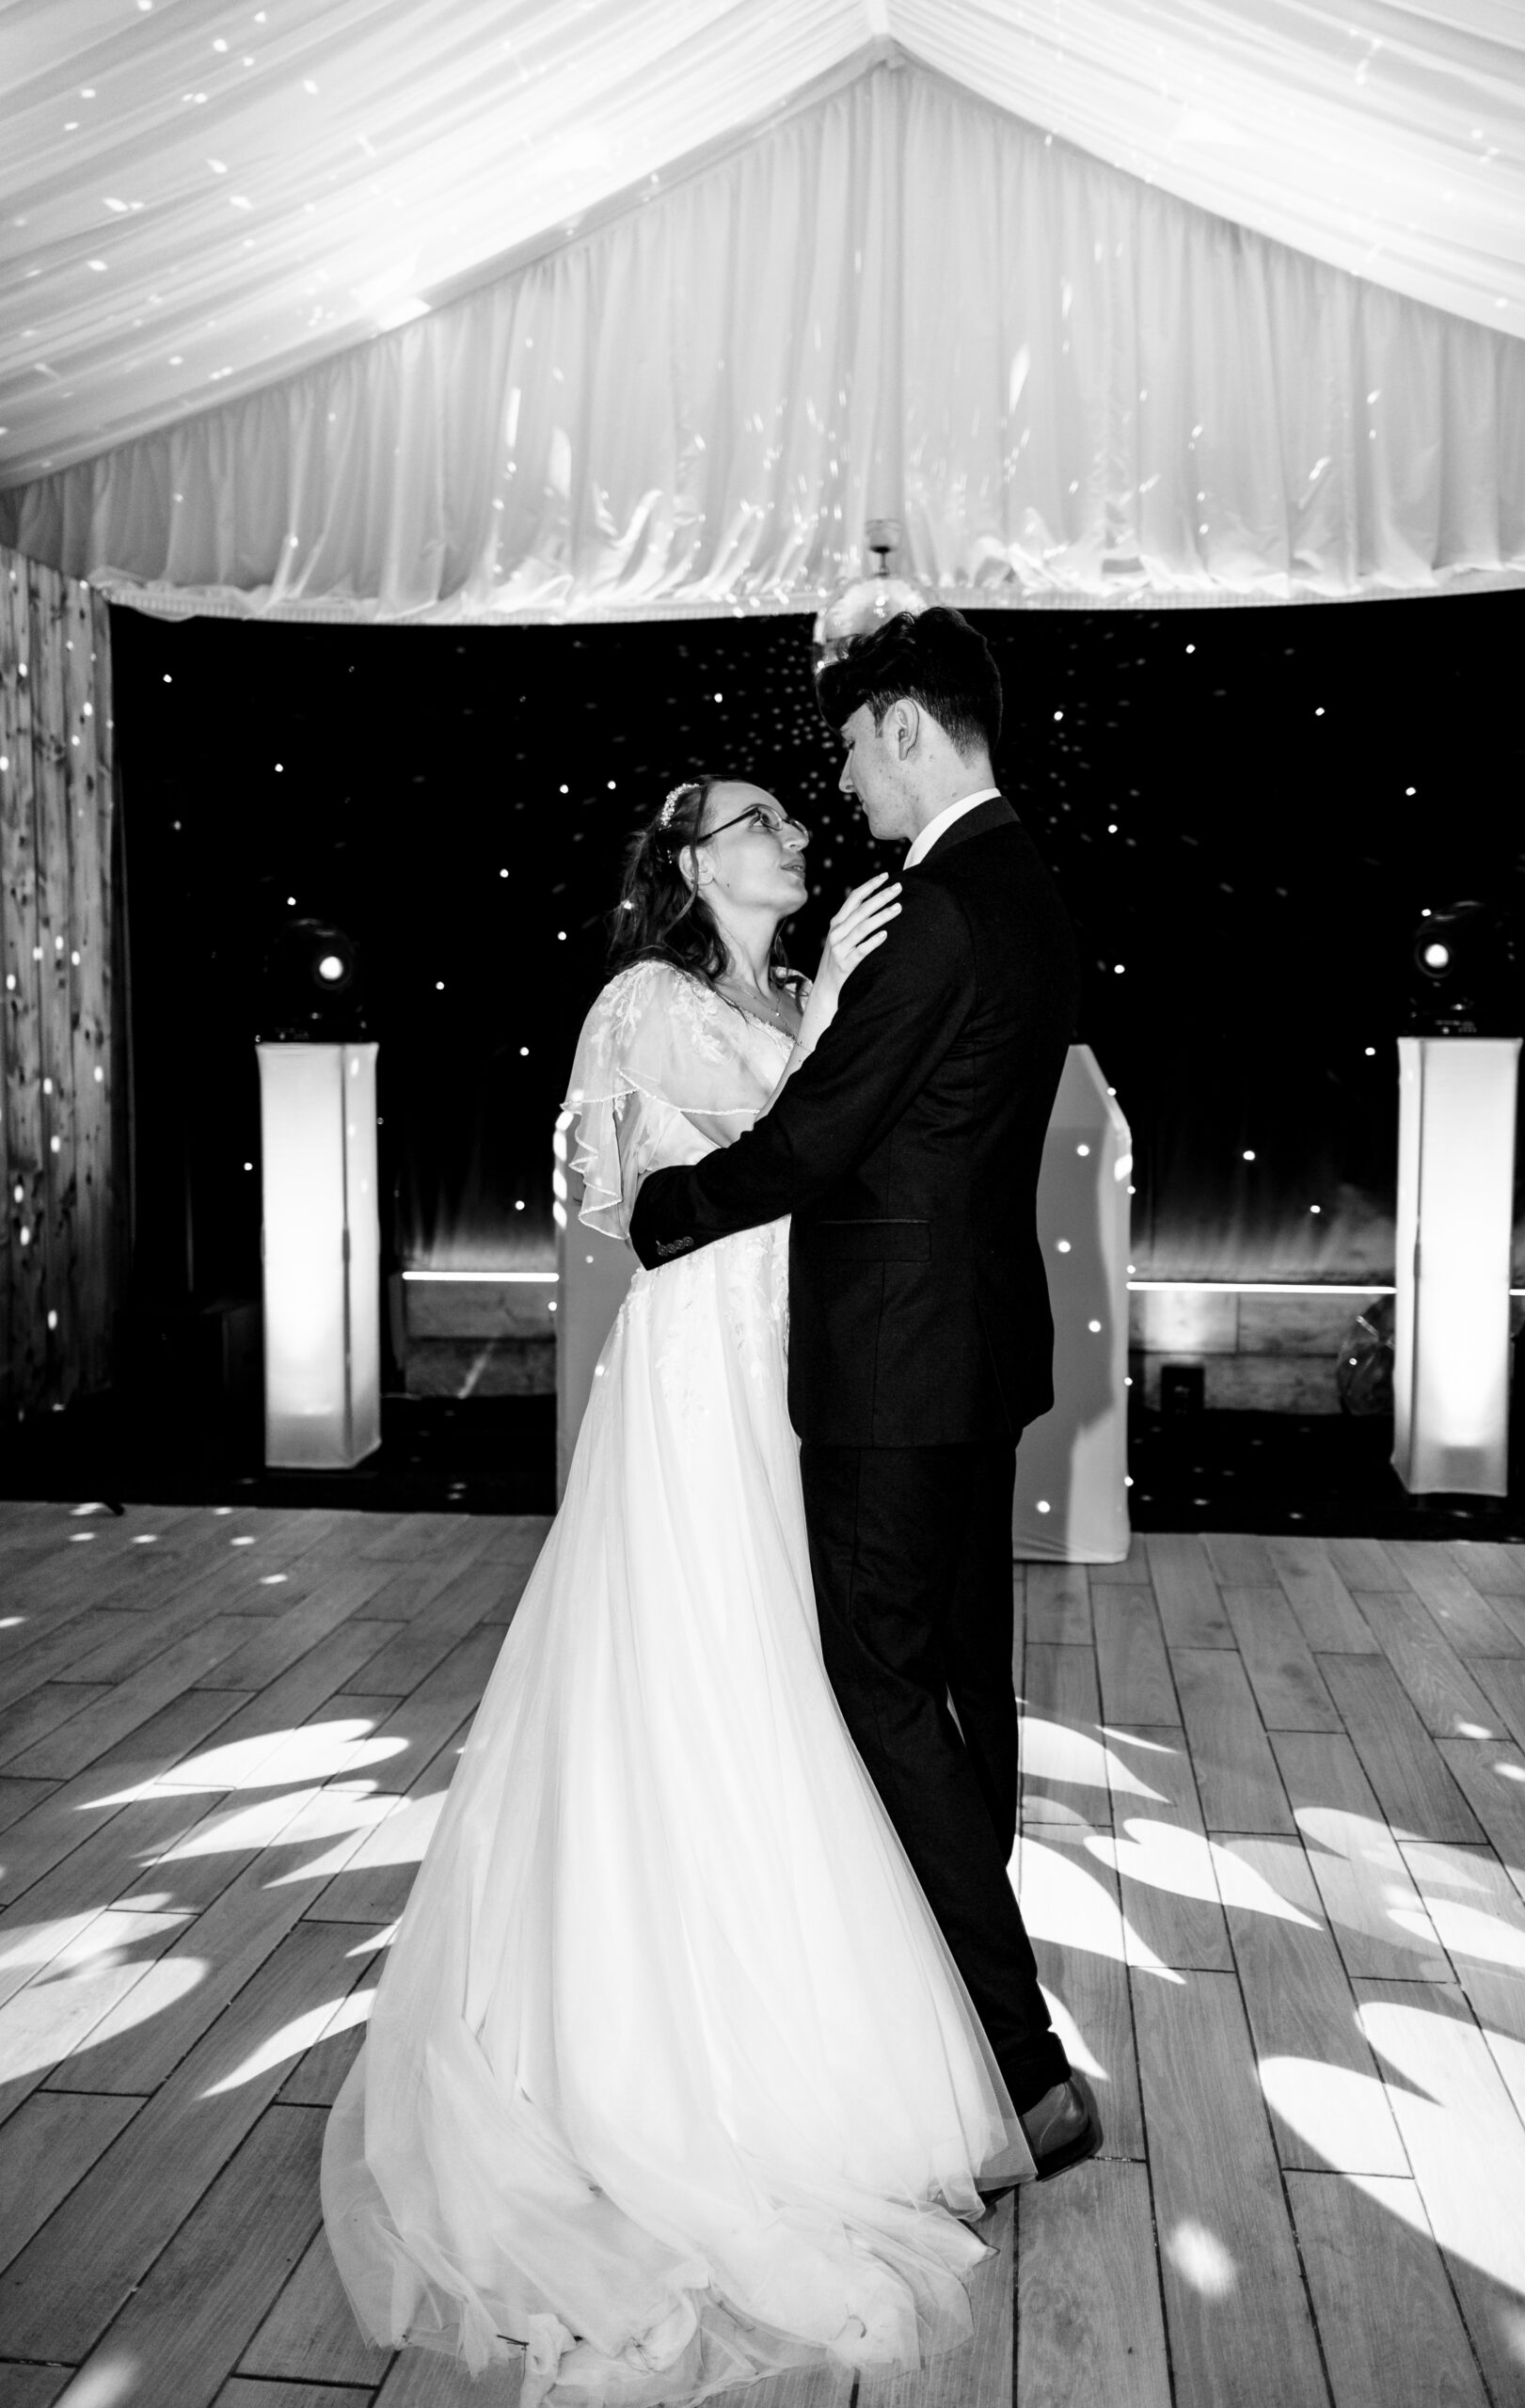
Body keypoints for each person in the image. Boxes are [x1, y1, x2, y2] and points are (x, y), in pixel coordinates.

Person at [321, 764, 1038, 2408]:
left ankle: (815, 2033)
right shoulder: (644, 998)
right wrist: (776, 1089)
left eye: (796, 815)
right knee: (698, 1673)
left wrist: (839, 1006)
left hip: (806, 1380)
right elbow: (604, 1202)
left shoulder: (805, 988)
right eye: (762, 824)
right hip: (698, 1376)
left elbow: (841, 1148)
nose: (797, 837)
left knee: (804, 1678)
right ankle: (663, 2062)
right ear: (692, 866)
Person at [629, 607, 1093, 2174]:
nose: (839, 781)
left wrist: (671, 1212)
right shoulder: (1019, 884)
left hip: (893, 1367)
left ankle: (1020, 2059)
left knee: (885, 1689)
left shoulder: (937, 908)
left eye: (845, 745)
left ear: (905, 724)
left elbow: (821, 1135)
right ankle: (963, 2019)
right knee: (964, 1689)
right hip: (973, 1349)